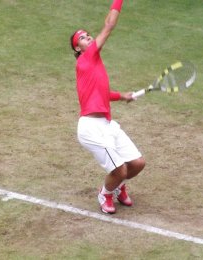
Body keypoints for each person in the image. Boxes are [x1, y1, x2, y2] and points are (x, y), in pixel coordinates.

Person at [70, 0, 145, 214]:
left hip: (107, 123)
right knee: (120, 169)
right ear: (78, 48)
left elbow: (101, 93)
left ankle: (118, 186)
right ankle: (105, 194)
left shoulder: (94, 64)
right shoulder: (86, 59)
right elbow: (109, 25)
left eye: (88, 34)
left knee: (137, 163)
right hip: (90, 128)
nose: (88, 37)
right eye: (82, 38)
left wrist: (122, 96)